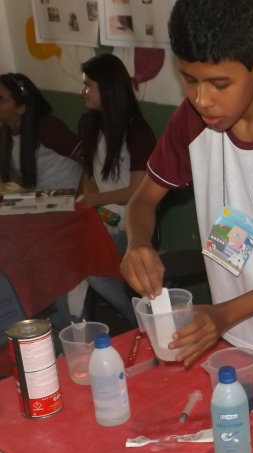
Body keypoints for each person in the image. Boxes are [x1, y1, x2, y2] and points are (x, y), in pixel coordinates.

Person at [121, 0, 253, 368]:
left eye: (219, 84)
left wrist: (223, 314)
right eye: (189, 80)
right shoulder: (190, 122)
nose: (201, 99)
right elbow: (142, 203)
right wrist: (137, 243)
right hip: (230, 335)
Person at [70, 53, 156, 327]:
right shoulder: (90, 124)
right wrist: (87, 205)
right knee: (61, 255)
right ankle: (73, 326)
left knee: (93, 269)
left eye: (88, 85)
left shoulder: (137, 131)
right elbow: (89, 175)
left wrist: (93, 199)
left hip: (125, 221)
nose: (82, 91)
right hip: (97, 215)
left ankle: (139, 320)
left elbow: (136, 191)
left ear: (107, 89)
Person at [0, 73, 81, 191]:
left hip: (67, 196)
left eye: (0, 99)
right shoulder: (5, 132)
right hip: (38, 197)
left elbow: (88, 160)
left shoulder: (46, 126)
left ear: (22, 107)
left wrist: (85, 197)